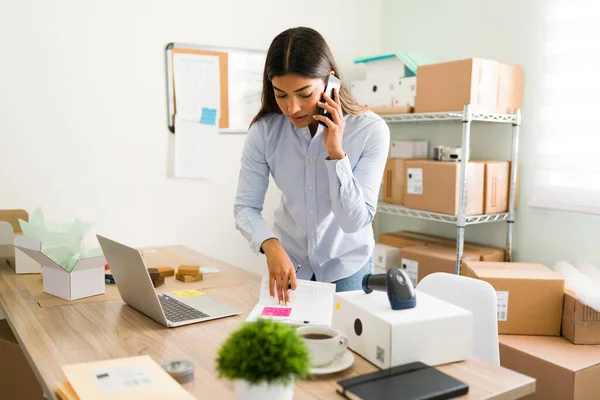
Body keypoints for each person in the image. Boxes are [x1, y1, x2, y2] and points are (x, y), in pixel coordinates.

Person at [234, 27, 390, 305]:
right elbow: (245, 207)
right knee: (291, 344)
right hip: (291, 264)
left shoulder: (370, 130)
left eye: (304, 94)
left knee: (345, 346)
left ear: (331, 83)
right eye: (281, 95)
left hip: (347, 264)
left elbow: (354, 221)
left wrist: (336, 153)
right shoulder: (265, 132)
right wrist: (271, 246)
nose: (292, 108)